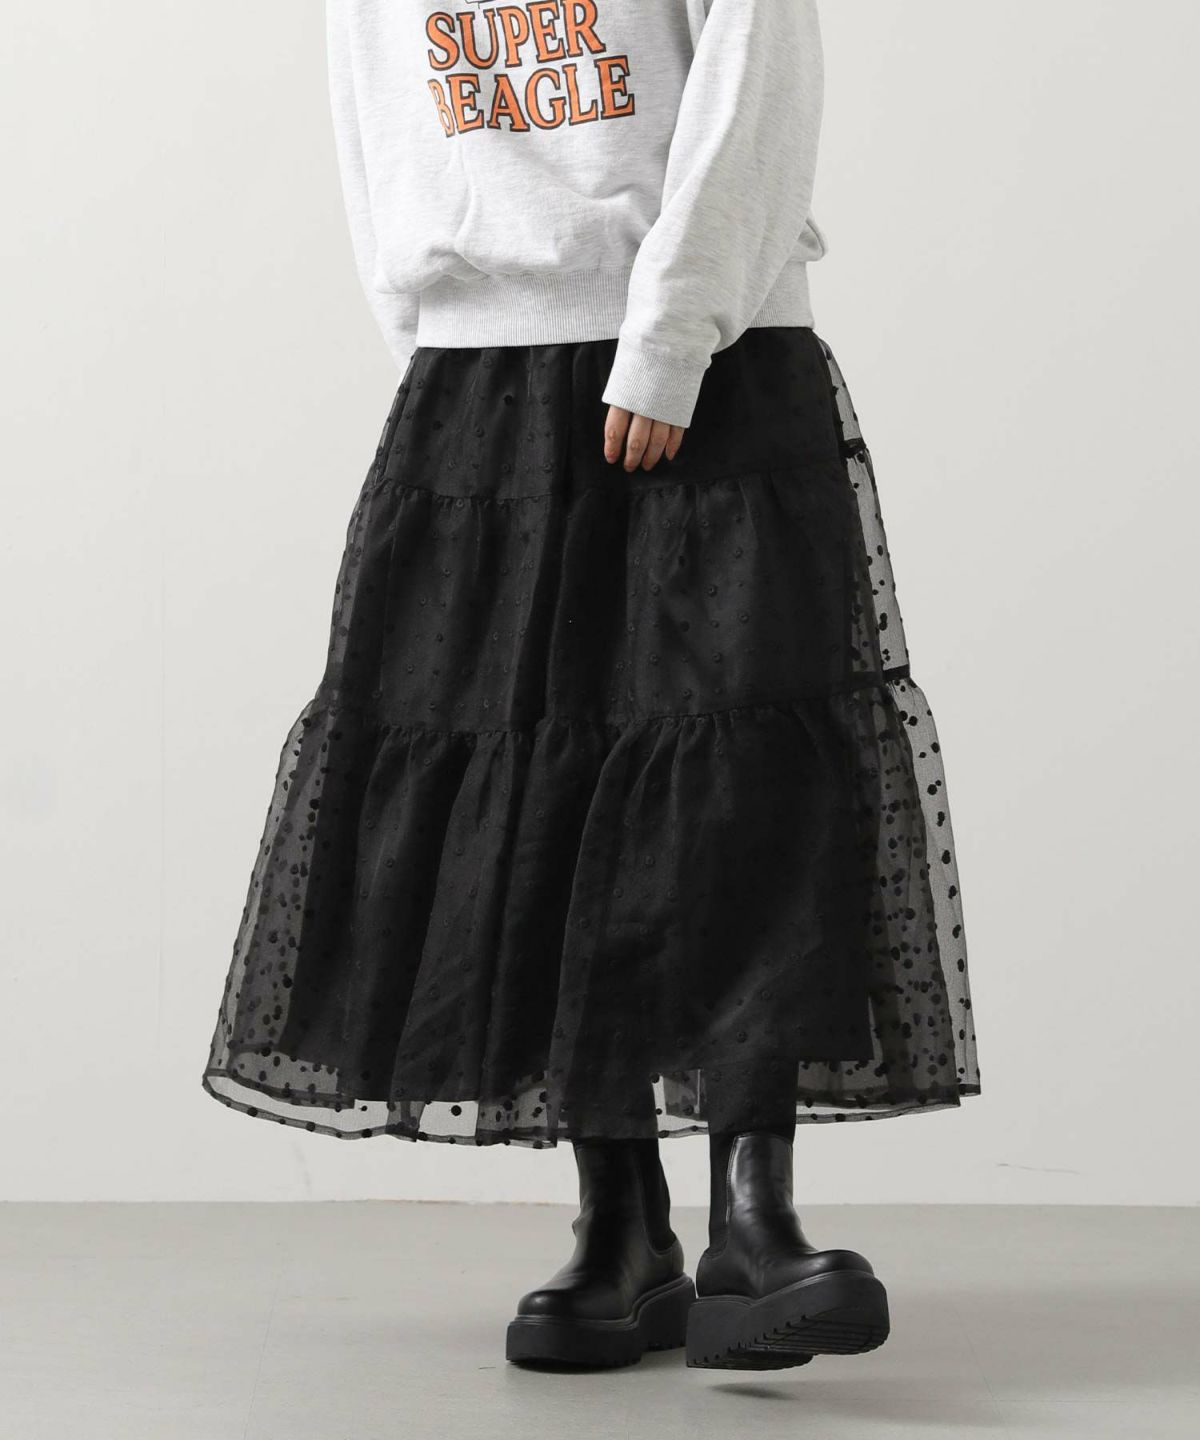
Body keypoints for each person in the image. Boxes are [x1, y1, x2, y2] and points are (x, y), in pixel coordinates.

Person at [201, 0, 981, 1372]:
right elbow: (375, 121)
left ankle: (755, 1220)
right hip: (481, 384)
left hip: (717, 358)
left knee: (743, 803)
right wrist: (440, 356)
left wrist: (673, 331)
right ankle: (621, 1226)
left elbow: (760, 70)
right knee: (536, 811)